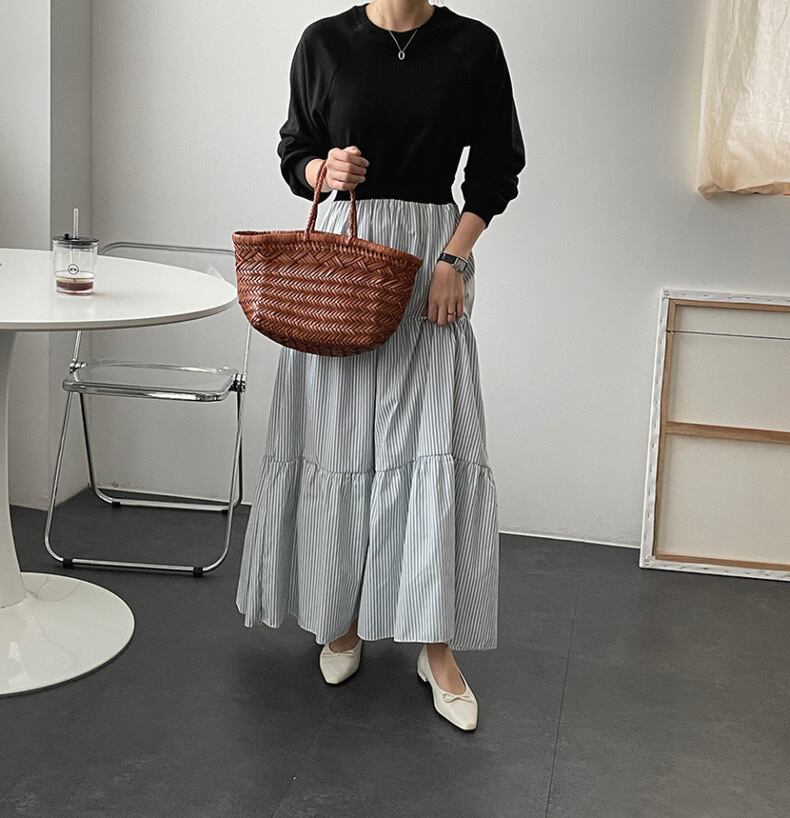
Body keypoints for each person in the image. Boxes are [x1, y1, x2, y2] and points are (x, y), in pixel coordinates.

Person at [236, 0, 525, 732]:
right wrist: (322, 168)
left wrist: (454, 259)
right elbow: (294, 151)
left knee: (432, 445)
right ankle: (340, 619)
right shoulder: (325, 41)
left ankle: (437, 648)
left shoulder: (472, 45)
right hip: (342, 260)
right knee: (335, 443)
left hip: (431, 256)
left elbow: (497, 168)